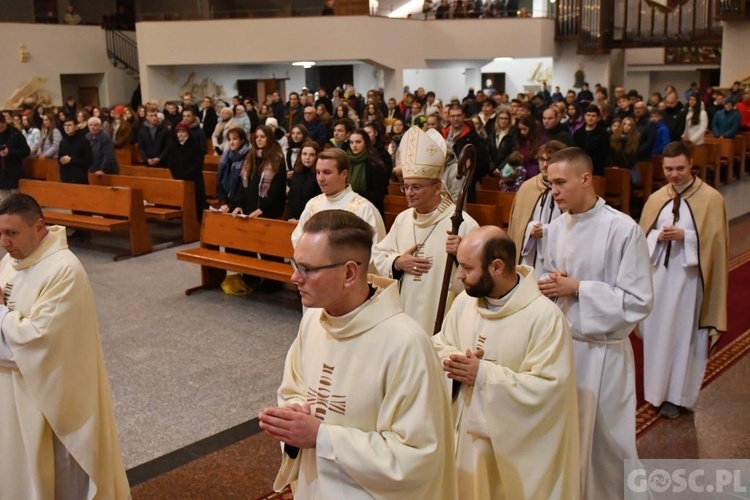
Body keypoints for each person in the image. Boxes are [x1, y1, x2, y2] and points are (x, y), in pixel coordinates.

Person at [259, 210, 457, 499]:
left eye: (307, 269)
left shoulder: (405, 344)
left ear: (349, 273)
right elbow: (294, 387)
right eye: (294, 264)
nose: (294, 277)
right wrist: (295, 413)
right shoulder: (313, 322)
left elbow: (418, 457)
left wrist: (321, 437)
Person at [538, 147, 653, 500]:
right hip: (566, 348)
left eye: (560, 182)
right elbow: (548, 275)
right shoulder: (557, 227)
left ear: (585, 179)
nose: (553, 191)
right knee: (567, 439)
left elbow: (638, 302)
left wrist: (578, 288)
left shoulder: (622, 229)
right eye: (550, 183)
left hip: (605, 354)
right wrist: (550, 283)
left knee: (609, 444)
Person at [433, 226, 580, 499]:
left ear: (497, 267)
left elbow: (550, 390)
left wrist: (483, 375)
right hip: (462, 437)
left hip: (510, 454)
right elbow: (440, 344)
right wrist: (454, 364)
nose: (459, 275)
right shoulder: (465, 302)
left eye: (466, 267)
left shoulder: (544, 318)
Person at [0, 193, 130, 499]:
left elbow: (39, 342)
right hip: (15, 391)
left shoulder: (64, 271)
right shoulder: (12, 260)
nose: (5, 242)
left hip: (54, 398)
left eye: (12, 233)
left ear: (40, 227)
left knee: (58, 476)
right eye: (1, 233)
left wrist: (2, 314)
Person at [639, 141, 728, 419]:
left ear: (691, 164)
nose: (674, 175)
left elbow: (716, 246)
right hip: (659, 280)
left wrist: (686, 237)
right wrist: (657, 237)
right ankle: (655, 393)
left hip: (690, 282)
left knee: (682, 337)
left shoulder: (711, 199)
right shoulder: (656, 199)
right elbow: (641, 240)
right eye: (668, 169)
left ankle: (677, 397)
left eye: (679, 168)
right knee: (657, 335)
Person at [373, 127, 478, 335]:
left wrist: (460, 255)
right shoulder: (403, 220)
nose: (409, 194)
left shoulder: (463, 225)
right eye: (406, 187)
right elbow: (378, 254)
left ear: (437, 187)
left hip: (444, 321)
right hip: (402, 315)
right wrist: (397, 262)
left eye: (416, 187)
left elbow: (479, 277)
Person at [291, 148, 385, 250]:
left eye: (327, 172)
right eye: (318, 172)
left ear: (344, 174)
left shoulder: (364, 209)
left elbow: (376, 251)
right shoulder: (313, 204)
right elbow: (298, 238)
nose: (320, 178)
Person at [507, 140, 567, 278]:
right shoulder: (527, 187)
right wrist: (529, 230)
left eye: (550, 160)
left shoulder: (568, 189)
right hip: (529, 254)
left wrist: (546, 230)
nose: (545, 165)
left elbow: (573, 226)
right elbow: (517, 226)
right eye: (541, 159)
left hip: (556, 259)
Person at [168, 122, 207, 222]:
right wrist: (177, 175)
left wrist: (186, 175)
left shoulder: (194, 145)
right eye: (178, 132)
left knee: (197, 203)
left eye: (183, 132)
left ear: (188, 133)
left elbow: (197, 163)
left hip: (194, 179)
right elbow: (171, 162)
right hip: (179, 178)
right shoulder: (173, 145)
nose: (180, 134)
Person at [287, 140, 322, 222]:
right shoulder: (297, 172)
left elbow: (319, 202)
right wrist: (289, 216)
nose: (307, 157)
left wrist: (304, 219)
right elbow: (291, 196)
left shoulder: (319, 175)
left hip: (312, 221)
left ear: (317, 156)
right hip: (293, 219)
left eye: (312, 155)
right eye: (304, 154)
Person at [0, 113, 31, 199]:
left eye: (1, 126)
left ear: (4, 122)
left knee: (16, 202)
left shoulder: (16, 134)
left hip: (13, 173)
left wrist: (9, 152)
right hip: (1, 176)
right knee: (4, 204)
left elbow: (26, 151)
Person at [58, 118, 93, 184]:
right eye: (65, 125)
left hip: (79, 178)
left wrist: (71, 159)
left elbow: (88, 161)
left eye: (69, 125)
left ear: (76, 127)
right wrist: (61, 160)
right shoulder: (63, 142)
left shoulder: (84, 141)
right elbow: (59, 157)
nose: (67, 127)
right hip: (65, 177)